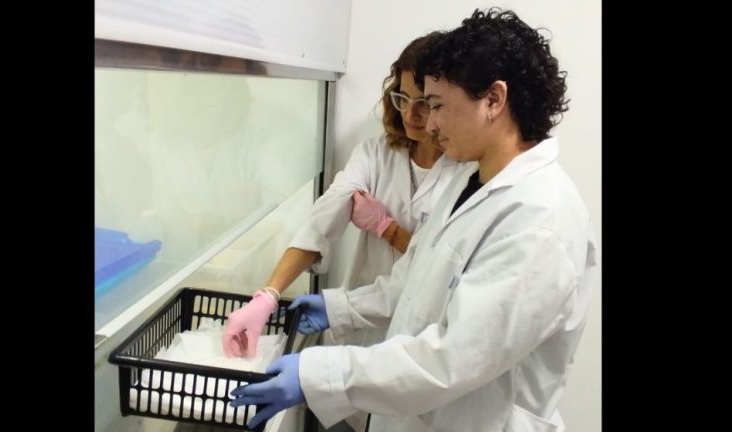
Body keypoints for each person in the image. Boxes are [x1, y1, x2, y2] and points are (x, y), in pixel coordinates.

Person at [229, 7, 599, 432]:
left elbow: (453, 358)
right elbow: (413, 282)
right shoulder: (469, 180)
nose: (430, 123)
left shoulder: (540, 219)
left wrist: (320, 373)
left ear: (494, 99)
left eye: (438, 105)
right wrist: (338, 307)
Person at [222, 31, 461, 358]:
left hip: (422, 335)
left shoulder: (465, 171)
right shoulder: (377, 154)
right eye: (403, 98)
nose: (410, 114)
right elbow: (324, 217)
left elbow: (442, 265)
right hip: (361, 331)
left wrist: (389, 231)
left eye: (423, 103)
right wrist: (268, 294)